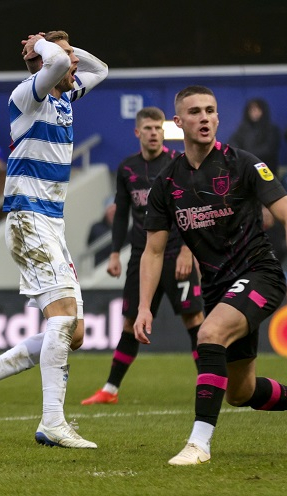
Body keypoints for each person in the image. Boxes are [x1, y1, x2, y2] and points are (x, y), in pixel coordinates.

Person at [133, 85, 287, 466]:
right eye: (195, 112)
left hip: (260, 274)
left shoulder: (243, 164)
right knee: (240, 392)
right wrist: (144, 306)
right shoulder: (167, 183)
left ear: (218, 118)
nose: (204, 118)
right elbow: (153, 251)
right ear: (178, 122)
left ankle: (199, 444)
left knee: (208, 333)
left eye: (210, 111)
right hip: (219, 289)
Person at [0, 30, 108, 449]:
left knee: (74, 333)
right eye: (66, 54)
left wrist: (61, 49)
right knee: (62, 319)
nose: (74, 62)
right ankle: (52, 422)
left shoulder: (64, 97)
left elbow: (101, 69)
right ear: (43, 61)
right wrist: (42, 47)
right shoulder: (28, 95)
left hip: (51, 223)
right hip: (29, 217)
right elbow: (55, 63)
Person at [81, 106, 205, 406]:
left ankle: (210, 383)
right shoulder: (127, 168)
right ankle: (110, 389)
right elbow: (121, 213)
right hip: (142, 256)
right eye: (148, 128)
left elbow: (192, 207)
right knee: (131, 321)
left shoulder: (177, 163)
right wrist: (114, 253)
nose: (153, 133)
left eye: (158, 128)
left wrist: (188, 250)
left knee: (194, 318)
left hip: (176, 252)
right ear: (138, 132)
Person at [228, 98, 281, 173]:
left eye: (257, 109)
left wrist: (246, 155)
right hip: (247, 170)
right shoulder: (242, 129)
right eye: (252, 110)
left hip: (266, 170)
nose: (254, 112)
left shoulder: (272, 129)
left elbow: (268, 150)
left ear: (263, 111)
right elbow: (233, 143)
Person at [85, 198, 115, 266]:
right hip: (103, 266)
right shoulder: (96, 228)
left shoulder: (126, 225)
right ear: (106, 212)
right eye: (111, 210)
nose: (113, 213)